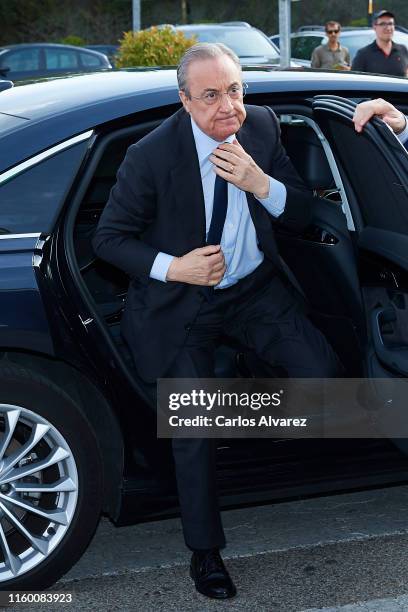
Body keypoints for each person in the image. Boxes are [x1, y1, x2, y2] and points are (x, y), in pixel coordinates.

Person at [93, 43, 340, 600]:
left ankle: (236, 407)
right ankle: (205, 554)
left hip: (255, 291)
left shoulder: (263, 127)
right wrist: (174, 267)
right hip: (185, 306)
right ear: (184, 101)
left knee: (326, 379)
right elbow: (108, 239)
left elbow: (300, 210)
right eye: (211, 96)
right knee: (193, 432)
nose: (229, 106)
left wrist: (261, 183)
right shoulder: (150, 156)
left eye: (235, 90)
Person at [352, 10, 408, 77]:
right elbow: (355, 84)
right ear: (374, 27)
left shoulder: (403, 50)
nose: (388, 28)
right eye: (383, 24)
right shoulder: (363, 54)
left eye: (390, 24)